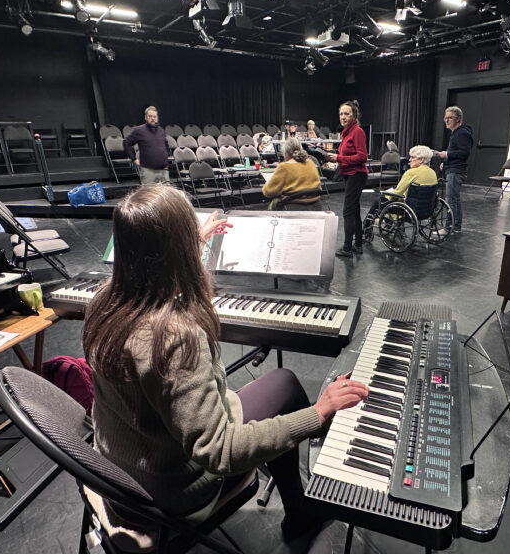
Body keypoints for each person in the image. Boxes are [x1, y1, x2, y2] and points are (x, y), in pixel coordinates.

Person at [82, 185, 368, 541]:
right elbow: (219, 452)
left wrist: (193, 243)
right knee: (286, 385)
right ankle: (300, 517)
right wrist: (319, 412)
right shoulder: (174, 338)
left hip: (122, 470)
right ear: (175, 250)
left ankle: (297, 503)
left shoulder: (104, 302)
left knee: (272, 391)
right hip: (173, 489)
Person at [324, 100, 369, 257]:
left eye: (346, 114)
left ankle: (347, 247)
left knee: (348, 210)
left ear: (354, 115)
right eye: (341, 114)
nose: (343, 117)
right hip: (350, 173)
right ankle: (357, 244)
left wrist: (338, 158)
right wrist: (337, 157)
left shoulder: (357, 132)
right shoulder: (347, 132)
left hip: (356, 174)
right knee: (354, 209)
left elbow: (362, 157)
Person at [363, 145, 438, 224]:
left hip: (410, 210)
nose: (409, 160)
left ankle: (365, 227)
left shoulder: (411, 172)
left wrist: (385, 195)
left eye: (412, 157)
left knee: (379, 201)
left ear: (421, 160)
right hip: (427, 210)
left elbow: (397, 193)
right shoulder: (432, 172)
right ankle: (387, 222)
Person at [437, 106, 473, 233]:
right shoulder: (456, 133)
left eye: (450, 118)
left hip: (456, 171)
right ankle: (455, 227)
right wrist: (445, 162)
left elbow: (464, 152)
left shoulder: (462, 133)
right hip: (452, 168)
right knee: (453, 199)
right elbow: (455, 152)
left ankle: (448, 228)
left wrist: (446, 155)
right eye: (445, 118)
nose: (446, 121)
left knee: (451, 200)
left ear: (458, 119)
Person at [262, 137, 321, 210]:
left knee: (274, 202)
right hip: (315, 205)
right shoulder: (310, 163)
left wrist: (266, 185)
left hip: (293, 207)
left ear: (286, 153)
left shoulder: (284, 167)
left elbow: (269, 192)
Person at [123, 106, 172, 184]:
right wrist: (134, 159)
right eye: (150, 116)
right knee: (148, 195)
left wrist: (166, 157)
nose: (152, 118)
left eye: (154, 116)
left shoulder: (161, 130)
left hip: (163, 171)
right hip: (148, 171)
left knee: (166, 196)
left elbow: (166, 145)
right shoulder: (139, 130)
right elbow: (126, 143)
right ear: (145, 117)